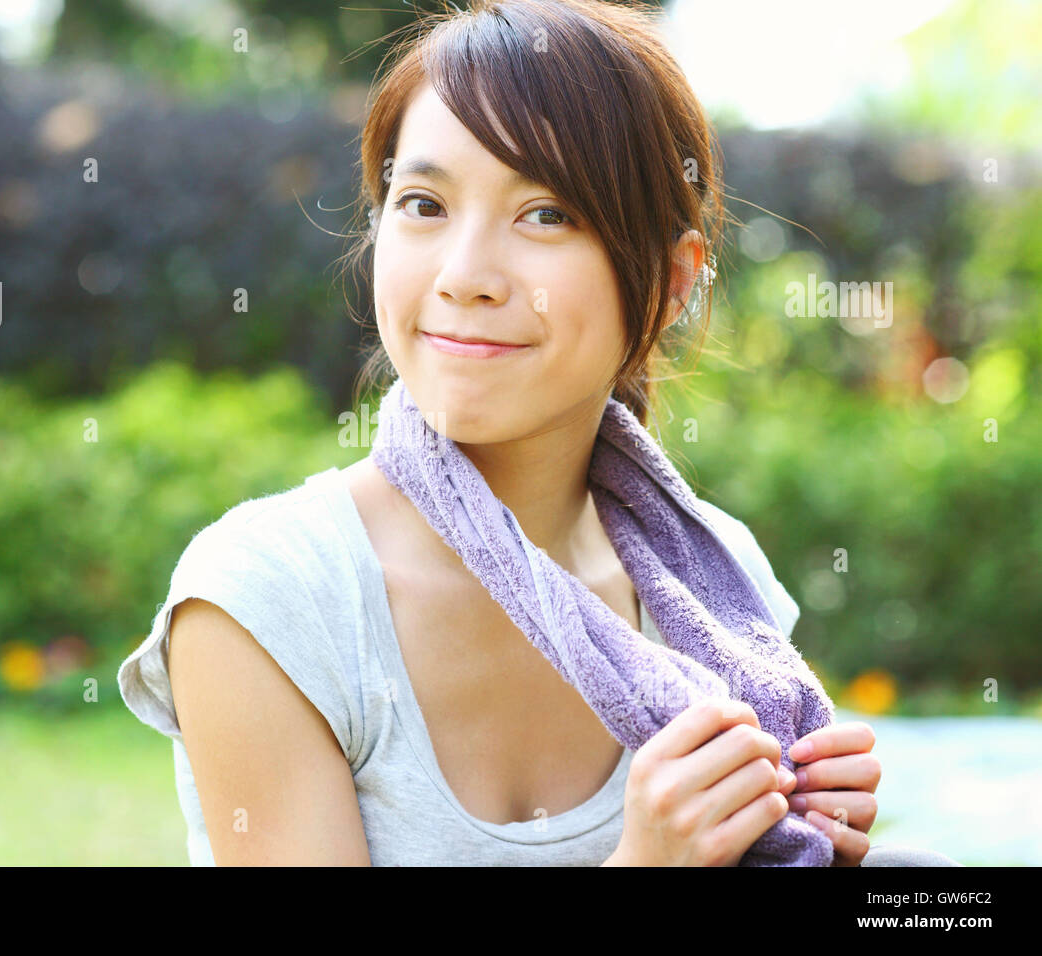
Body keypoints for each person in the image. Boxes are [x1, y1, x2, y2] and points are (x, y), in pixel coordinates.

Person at [117, 0, 961, 867]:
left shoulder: (718, 585)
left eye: (547, 213)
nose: (465, 275)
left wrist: (813, 844)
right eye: (422, 203)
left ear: (670, 286)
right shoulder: (273, 599)